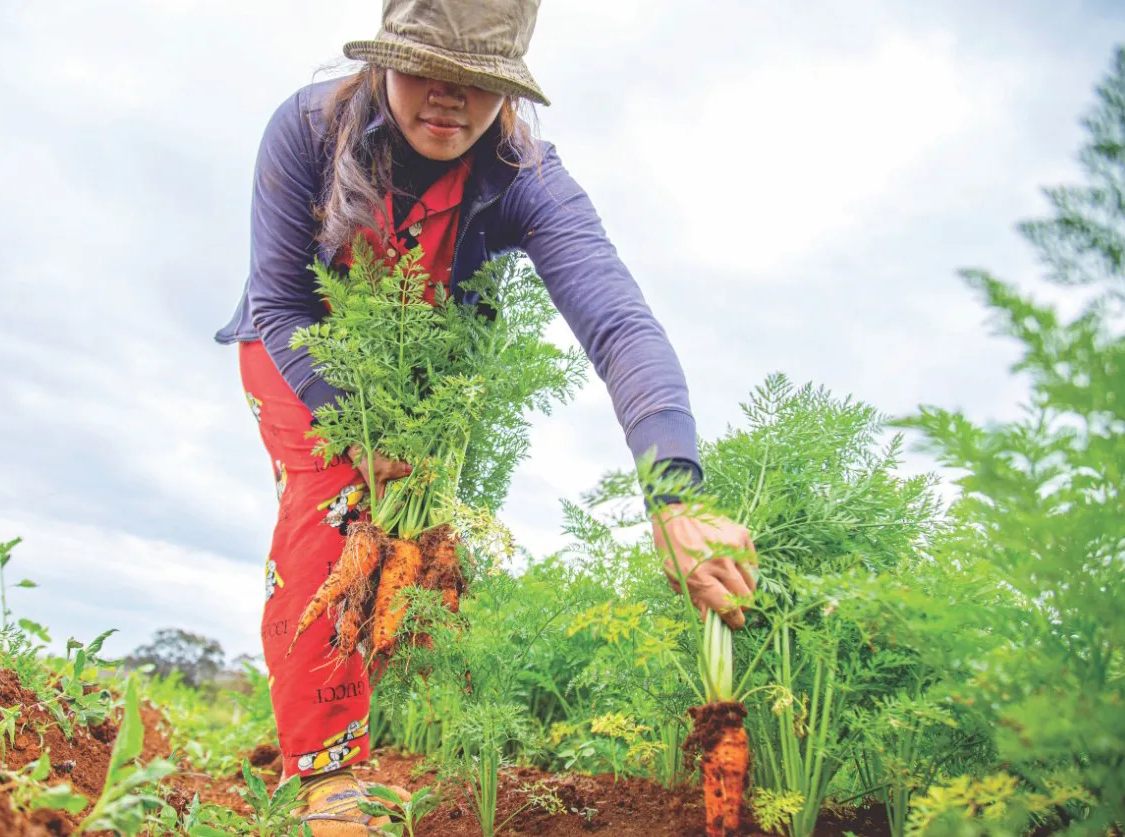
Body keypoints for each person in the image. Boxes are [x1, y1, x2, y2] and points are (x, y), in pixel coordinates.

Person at [214, 0, 758, 832]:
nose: (451, 99)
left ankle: (356, 720)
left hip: (419, 366)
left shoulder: (528, 178)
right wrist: (353, 429)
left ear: (509, 92)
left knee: (413, 553)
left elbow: (618, 324)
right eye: (429, 69)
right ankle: (326, 776)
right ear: (385, 60)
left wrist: (674, 494)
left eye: (481, 83)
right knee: (332, 510)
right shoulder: (306, 129)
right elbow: (284, 298)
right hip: (301, 352)